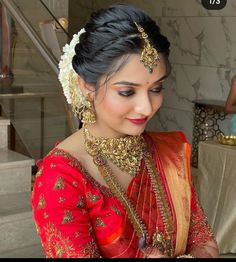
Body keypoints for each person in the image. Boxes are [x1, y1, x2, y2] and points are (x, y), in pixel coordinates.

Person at [31, 4, 219, 258]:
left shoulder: (167, 153)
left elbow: (204, 242)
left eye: (156, 88)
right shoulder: (61, 177)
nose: (146, 108)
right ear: (87, 86)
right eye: (127, 91)